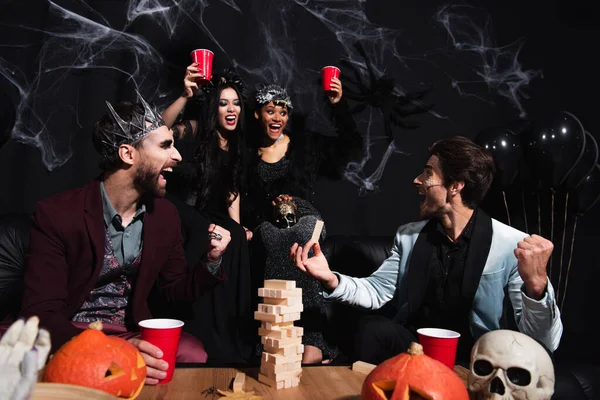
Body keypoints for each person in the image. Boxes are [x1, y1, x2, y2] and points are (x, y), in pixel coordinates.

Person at [291, 136, 563, 366]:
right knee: (372, 328)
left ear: (455, 186)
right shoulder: (409, 236)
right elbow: (376, 292)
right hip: (415, 350)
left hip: (474, 358)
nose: (417, 180)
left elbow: (545, 340)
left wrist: (537, 286)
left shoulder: (511, 245)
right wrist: (331, 278)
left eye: (428, 173)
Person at [18, 93, 231, 385]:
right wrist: (106, 351)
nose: (178, 156)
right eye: (166, 146)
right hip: (71, 331)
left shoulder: (165, 215)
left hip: (127, 330)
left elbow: (174, 289)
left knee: (192, 353)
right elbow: (42, 314)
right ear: (128, 154)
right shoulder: (56, 214)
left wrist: (211, 260)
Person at [243, 78, 362, 364]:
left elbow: (351, 146)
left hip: (306, 216)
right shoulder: (247, 154)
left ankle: (313, 338)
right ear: (258, 114)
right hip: (268, 223)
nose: (278, 118)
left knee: (306, 233)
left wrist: (338, 104)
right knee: (272, 238)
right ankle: (275, 334)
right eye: (271, 111)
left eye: (283, 113)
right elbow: (241, 198)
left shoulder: (304, 145)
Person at [159, 65, 253, 363]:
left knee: (236, 237)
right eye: (224, 102)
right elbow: (158, 128)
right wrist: (186, 96)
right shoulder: (198, 129)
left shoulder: (238, 144)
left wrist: (239, 229)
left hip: (209, 211)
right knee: (204, 229)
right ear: (215, 108)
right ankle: (196, 323)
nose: (231, 109)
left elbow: (231, 192)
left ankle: (228, 333)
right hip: (175, 204)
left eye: (236, 103)